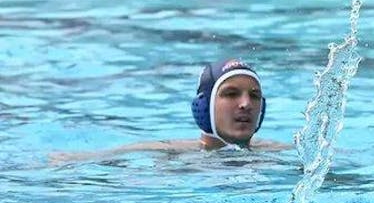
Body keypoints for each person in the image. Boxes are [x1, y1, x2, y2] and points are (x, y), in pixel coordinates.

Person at [50, 59, 287, 163]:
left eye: (254, 96)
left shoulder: (280, 155)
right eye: (231, 93)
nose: (245, 104)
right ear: (204, 105)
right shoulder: (169, 154)